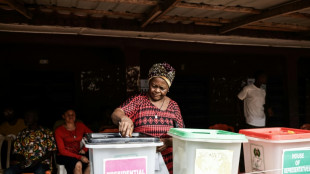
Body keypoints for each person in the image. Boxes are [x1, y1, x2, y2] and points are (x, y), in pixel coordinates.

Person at [111, 62, 184, 174]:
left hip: (169, 162)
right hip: (141, 159)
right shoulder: (138, 100)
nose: (157, 91)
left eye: (162, 88)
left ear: (168, 88)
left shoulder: (173, 106)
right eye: (154, 86)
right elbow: (116, 113)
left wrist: (168, 142)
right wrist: (123, 118)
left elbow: (182, 136)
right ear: (149, 82)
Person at [4, 109, 57, 174]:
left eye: (28, 117)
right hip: (25, 164)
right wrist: (23, 161)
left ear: (36, 118)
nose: (25, 119)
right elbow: (16, 152)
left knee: (40, 171)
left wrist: (38, 161)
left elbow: (52, 150)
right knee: (8, 172)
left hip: (41, 163)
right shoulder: (21, 133)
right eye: (25, 117)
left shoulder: (47, 132)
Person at [54, 109, 92, 174]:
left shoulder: (80, 126)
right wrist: (80, 157)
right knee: (78, 164)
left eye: (72, 114)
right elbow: (62, 151)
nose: (71, 116)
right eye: (68, 115)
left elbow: (92, 136)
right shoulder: (59, 130)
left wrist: (85, 149)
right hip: (65, 155)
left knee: (91, 163)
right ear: (63, 116)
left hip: (78, 152)